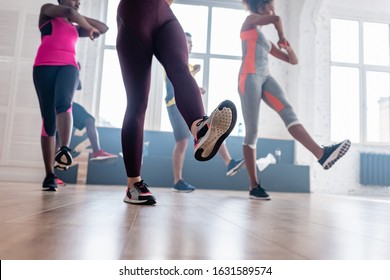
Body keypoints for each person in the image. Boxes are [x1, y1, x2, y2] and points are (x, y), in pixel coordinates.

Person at [116, 0, 237, 205]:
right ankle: (133, 184)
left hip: (164, 12)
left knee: (181, 68)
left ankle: (200, 128)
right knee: (137, 103)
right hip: (135, 10)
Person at [238, 0, 351, 200]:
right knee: (252, 131)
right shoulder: (249, 22)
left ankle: (321, 154)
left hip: (265, 77)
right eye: (271, 6)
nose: (273, 10)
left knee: (288, 112)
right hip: (249, 78)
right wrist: (281, 35)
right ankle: (253, 185)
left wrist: (287, 47)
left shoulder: (264, 40)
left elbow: (293, 60)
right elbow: (277, 19)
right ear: (262, 7)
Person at [33, 0, 108, 191]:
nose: (79, 2)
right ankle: (50, 175)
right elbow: (67, 10)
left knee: (64, 103)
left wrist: (83, 23)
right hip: (43, 68)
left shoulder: (75, 26)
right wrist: (76, 17)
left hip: (69, 66)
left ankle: (64, 149)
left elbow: (103, 28)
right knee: (48, 121)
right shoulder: (47, 11)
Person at [165, 32, 244, 192]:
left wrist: (195, 84)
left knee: (213, 129)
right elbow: (177, 83)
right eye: (188, 42)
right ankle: (177, 181)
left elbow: (187, 83)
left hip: (189, 105)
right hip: (176, 105)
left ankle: (229, 162)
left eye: (192, 43)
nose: (191, 45)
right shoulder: (174, 60)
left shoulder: (186, 64)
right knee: (182, 142)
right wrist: (193, 75)